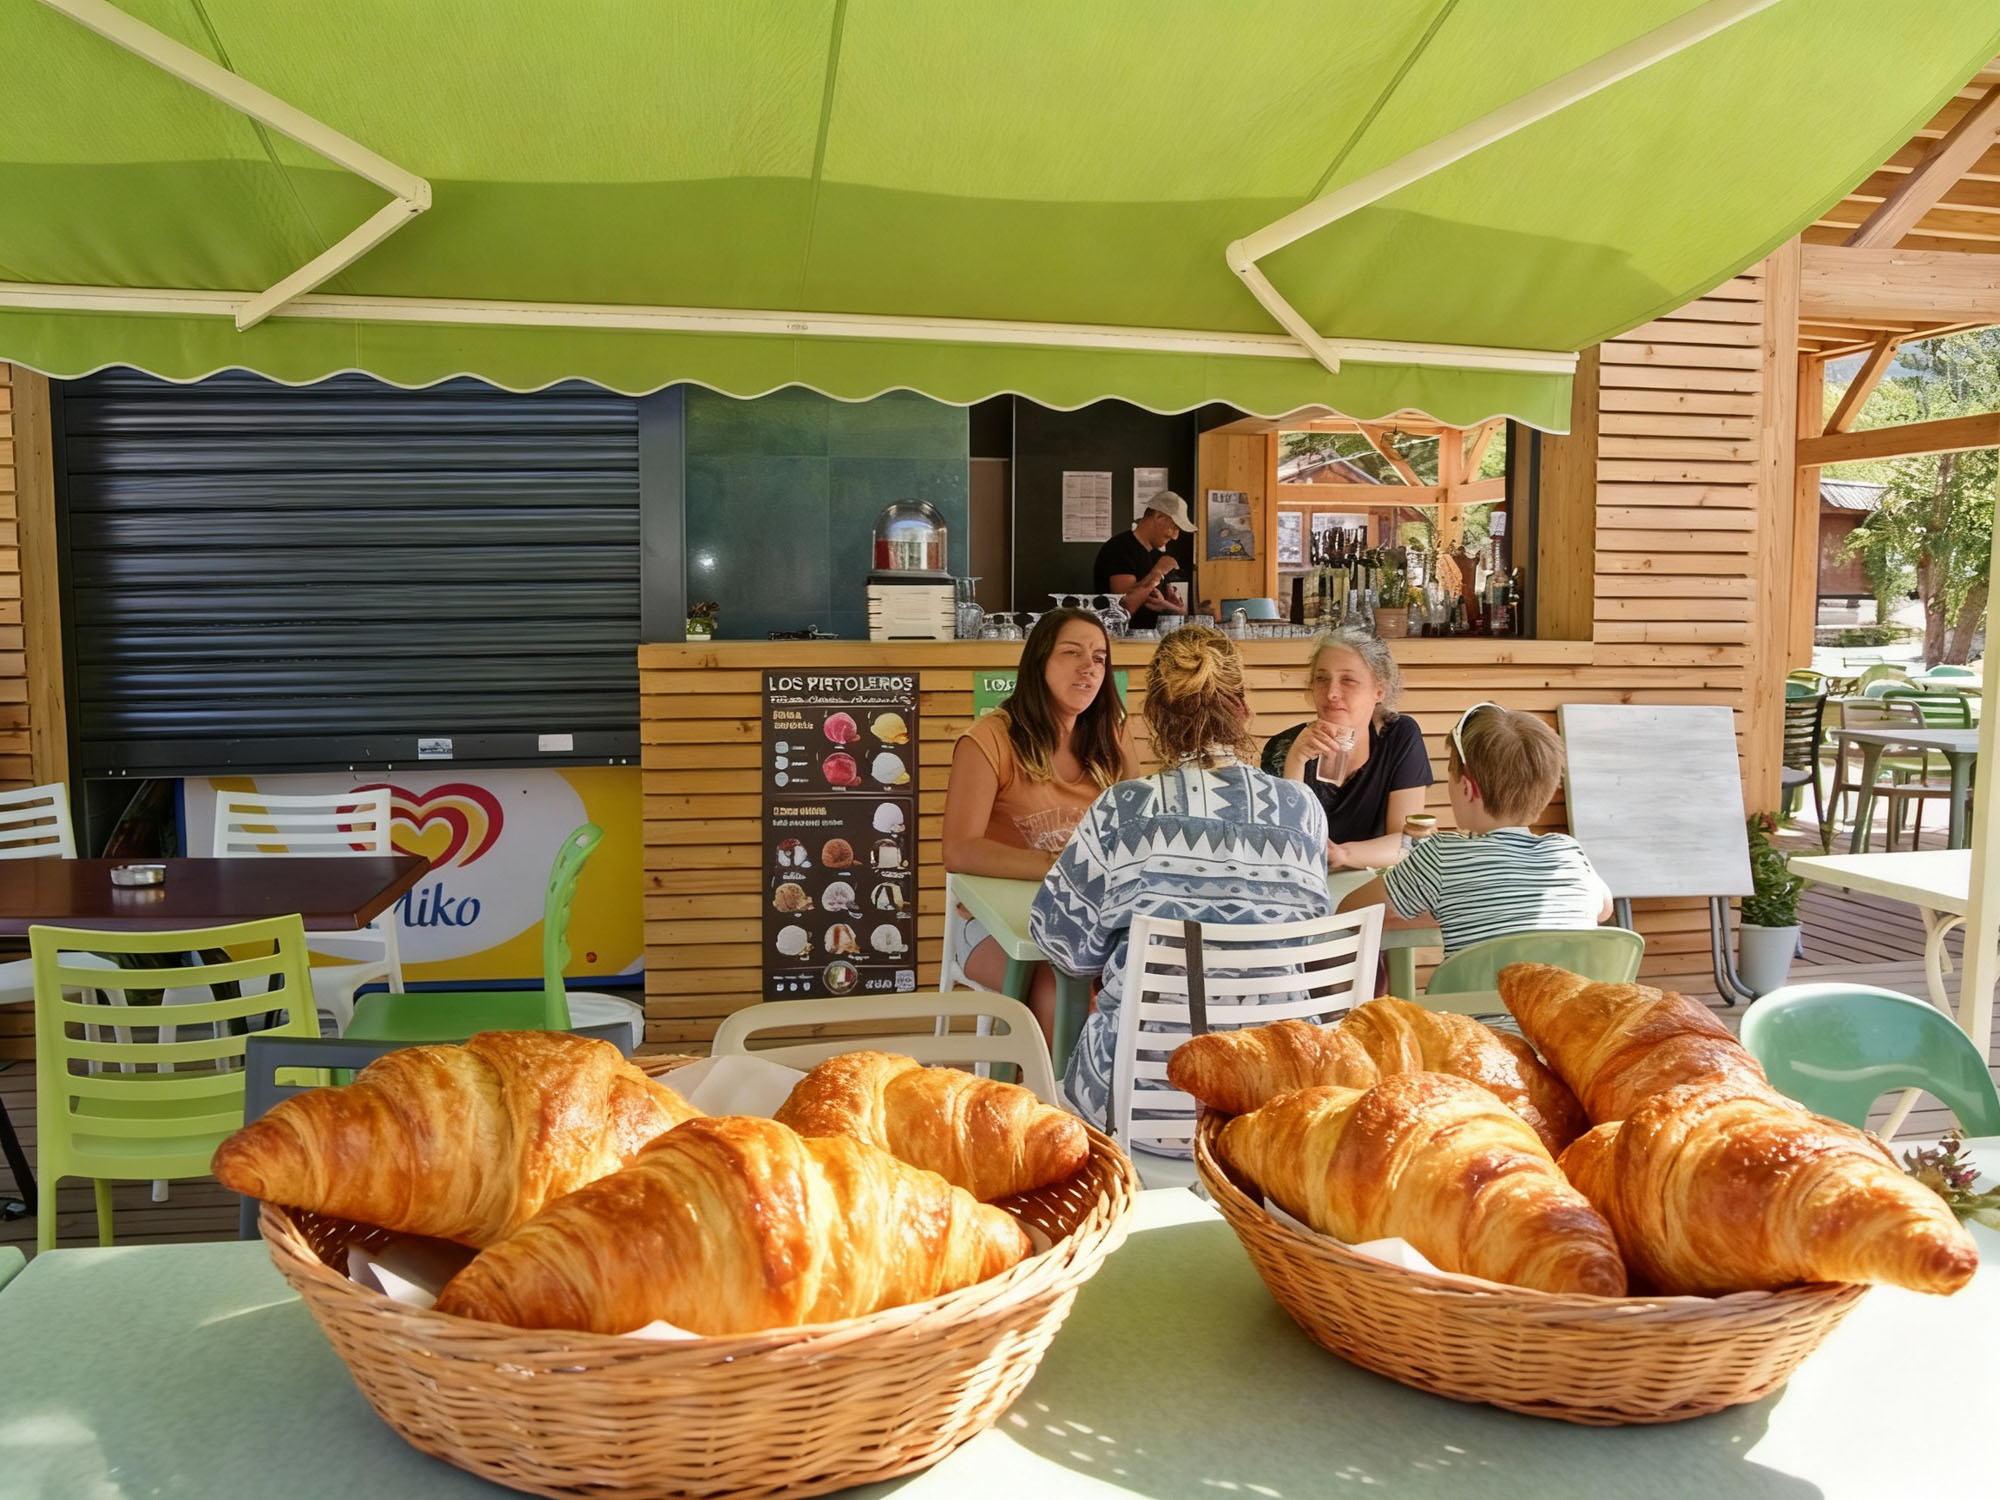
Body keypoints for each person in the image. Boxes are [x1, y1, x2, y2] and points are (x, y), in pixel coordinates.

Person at [1030, 624, 1330, 1141]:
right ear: (1242, 710)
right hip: (1272, 1112)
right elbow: (1303, 945)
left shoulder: (1124, 811)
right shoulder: (1302, 809)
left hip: (1138, 1108)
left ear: (1156, 719)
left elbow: (1065, 950)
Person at [942, 607, 1135, 1038]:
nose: (1089, 666)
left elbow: (1135, 832)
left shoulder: (1113, 737)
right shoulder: (988, 740)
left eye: (1100, 658)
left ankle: (1115, 1101)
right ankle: (1055, 1101)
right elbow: (960, 849)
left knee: (1151, 977)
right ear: (1039, 661)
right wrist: (1055, 865)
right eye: (1072, 652)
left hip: (1092, 922)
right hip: (994, 927)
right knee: (1062, 985)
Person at [1339, 702, 1613, 954]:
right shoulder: (1569, 852)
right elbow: (1604, 909)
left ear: (1467, 789)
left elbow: (1350, 912)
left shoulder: (1440, 856)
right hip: (1559, 1007)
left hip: (1471, 1009)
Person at [1262, 628, 1432, 870]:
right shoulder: (1283, 747)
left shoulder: (1399, 736)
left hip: (1374, 885)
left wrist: (1344, 855)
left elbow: (1407, 840)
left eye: (1347, 680)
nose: (1331, 693)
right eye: (1321, 678)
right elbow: (1282, 847)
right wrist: (1295, 762)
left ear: (1379, 691)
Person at [1093, 490, 1194, 631]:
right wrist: (1157, 573)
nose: (1176, 536)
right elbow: (1122, 610)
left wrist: (1170, 608)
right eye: (1175, 527)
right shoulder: (1119, 549)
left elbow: (1148, 603)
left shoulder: (1154, 554)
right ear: (1159, 517)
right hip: (1123, 645)